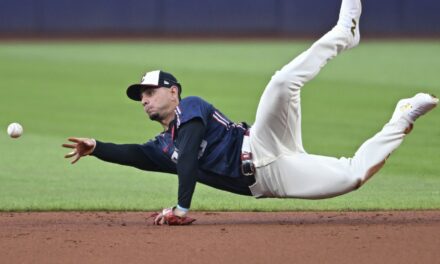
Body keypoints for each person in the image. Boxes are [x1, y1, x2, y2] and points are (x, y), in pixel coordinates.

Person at [63, 0, 438, 225]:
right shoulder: (164, 146)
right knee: (352, 177)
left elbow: (190, 151)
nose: (144, 99)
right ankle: (403, 115)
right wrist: (96, 147)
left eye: (149, 91)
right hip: (271, 181)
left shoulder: (191, 109)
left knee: (281, 83)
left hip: (260, 143)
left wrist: (181, 207)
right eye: (139, 95)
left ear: (173, 92)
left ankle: (344, 32)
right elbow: (135, 155)